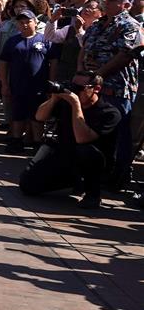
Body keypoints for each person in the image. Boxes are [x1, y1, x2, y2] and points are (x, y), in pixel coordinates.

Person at [20, 71, 121, 209]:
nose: (74, 91)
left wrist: (76, 105)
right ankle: (74, 182)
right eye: (72, 86)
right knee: (27, 185)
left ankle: (93, 194)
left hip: (95, 164)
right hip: (66, 157)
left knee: (85, 151)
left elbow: (82, 139)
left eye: (79, 88)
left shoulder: (109, 112)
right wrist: (54, 98)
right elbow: (39, 117)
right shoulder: (66, 104)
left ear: (96, 89)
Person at [80, 0, 143, 190]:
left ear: (126, 4)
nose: (108, 3)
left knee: (120, 133)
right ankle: (94, 172)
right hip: (91, 86)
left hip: (116, 87)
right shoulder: (97, 25)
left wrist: (100, 73)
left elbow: (125, 55)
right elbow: (85, 48)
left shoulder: (130, 25)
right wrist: (81, 71)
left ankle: (119, 175)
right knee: (94, 130)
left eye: (114, 0)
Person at [0, 10, 60, 153]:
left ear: (35, 22)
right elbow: (3, 62)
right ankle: (16, 140)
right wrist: (5, 84)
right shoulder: (12, 41)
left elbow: (53, 62)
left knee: (37, 116)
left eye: (28, 22)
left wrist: (51, 83)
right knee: (18, 114)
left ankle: (37, 142)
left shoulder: (45, 40)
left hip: (38, 86)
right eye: (21, 22)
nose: (25, 25)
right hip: (18, 84)